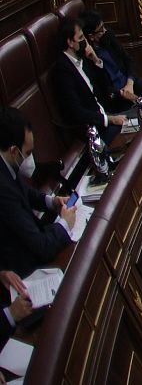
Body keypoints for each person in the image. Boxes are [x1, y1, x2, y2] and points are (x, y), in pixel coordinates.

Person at [0, 108, 76, 276]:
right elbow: (43, 247)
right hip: (24, 268)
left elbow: (24, 191)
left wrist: (52, 201)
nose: (30, 159)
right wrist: (65, 224)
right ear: (13, 151)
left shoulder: (5, 165)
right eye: (27, 153)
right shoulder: (3, 194)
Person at [53, 16, 128, 148]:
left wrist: (95, 59)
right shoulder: (62, 71)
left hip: (108, 113)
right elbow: (77, 112)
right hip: (95, 129)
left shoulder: (83, 58)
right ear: (70, 42)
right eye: (81, 38)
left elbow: (104, 86)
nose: (85, 41)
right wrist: (110, 119)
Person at [79, 10, 142, 117]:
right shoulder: (88, 58)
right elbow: (102, 89)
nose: (105, 31)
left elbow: (128, 60)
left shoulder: (109, 37)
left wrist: (129, 83)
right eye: (101, 30)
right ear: (91, 36)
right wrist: (123, 93)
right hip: (115, 96)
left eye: (104, 26)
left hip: (129, 84)